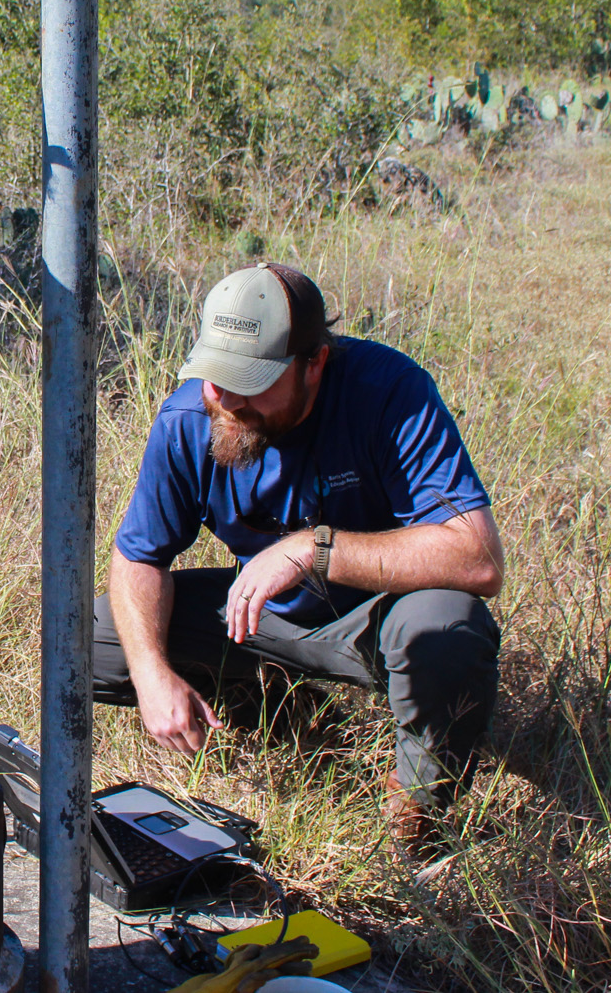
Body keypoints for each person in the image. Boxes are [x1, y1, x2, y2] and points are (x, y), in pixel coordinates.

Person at [93, 262, 503, 852]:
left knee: (448, 632)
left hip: (379, 616)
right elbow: (139, 557)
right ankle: (276, 710)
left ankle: (423, 820)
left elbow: (479, 556)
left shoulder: (387, 393)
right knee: (91, 637)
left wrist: (315, 550)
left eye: (250, 380)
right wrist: (153, 675)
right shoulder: (190, 418)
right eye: (214, 375)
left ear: (314, 364)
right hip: (260, 620)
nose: (226, 399)